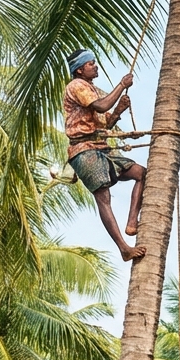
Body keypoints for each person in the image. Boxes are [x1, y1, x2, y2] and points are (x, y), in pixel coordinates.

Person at [64, 49, 148, 262]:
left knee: (141, 173)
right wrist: (121, 85)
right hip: (83, 150)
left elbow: (105, 122)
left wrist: (119, 110)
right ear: (80, 69)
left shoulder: (91, 89)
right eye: (91, 63)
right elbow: (101, 106)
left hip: (101, 148)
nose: (95, 66)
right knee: (103, 197)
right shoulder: (77, 86)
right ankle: (123, 249)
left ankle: (131, 222)